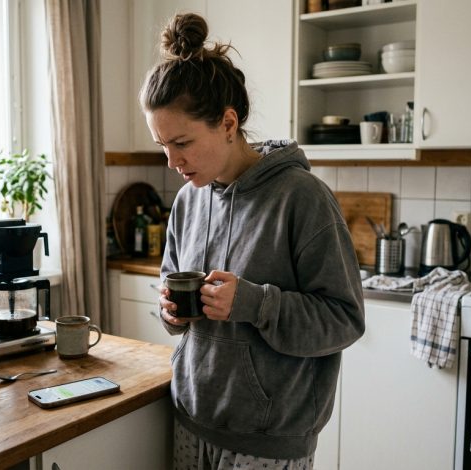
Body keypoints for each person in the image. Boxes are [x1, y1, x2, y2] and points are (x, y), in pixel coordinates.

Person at [140, 12, 365, 470]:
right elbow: (172, 293)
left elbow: (345, 320)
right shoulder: (187, 200)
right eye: (162, 145)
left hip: (268, 442)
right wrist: (168, 311)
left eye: (182, 142)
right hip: (191, 420)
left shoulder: (302, 198)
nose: (171, 160)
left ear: (227, 122)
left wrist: (255, 303)